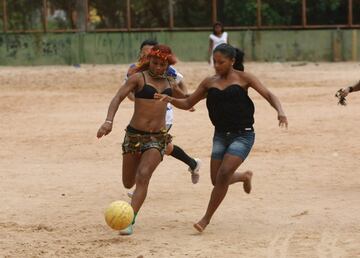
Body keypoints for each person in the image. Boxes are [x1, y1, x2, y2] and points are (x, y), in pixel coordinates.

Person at [155, 43, 288, 233]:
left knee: (224, 174)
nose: (217, 66)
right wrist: (169, 99)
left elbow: (268, 94)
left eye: (221, 62)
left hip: (243, 134)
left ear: (232, 61)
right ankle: (243, 176)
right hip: (220, 135)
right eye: (214, 62)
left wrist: (280, 111)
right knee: (216, 180)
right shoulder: (209, 82)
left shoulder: (244, 78)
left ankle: (205, 219)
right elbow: (188, 101)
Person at [97, 45, 190, 235]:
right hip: (133, 135)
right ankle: (131, 208)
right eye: (154, 63)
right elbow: (118, 97)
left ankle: (130, 220)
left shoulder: (170, 83)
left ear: (167, 65)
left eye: (161, 64)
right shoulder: (138, 78)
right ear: (149, 61)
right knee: (127, 182)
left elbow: (187, 101)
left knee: (143, 175)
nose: (157, 67)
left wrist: (172, 100)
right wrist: (108, 121)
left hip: (157, 137)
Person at [126, 40, 201, 184]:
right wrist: (139, 99)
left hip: (164, 116)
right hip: (144, 116)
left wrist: (186, 101)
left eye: (150, 51)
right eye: (144, 52)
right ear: (141, 53)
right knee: (166, 148)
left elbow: (179, 84)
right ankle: (193, 163)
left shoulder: (165, 68)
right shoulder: (133, 69)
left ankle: (140, 183)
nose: (147, 54)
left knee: (150, 148)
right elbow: (128, 92)